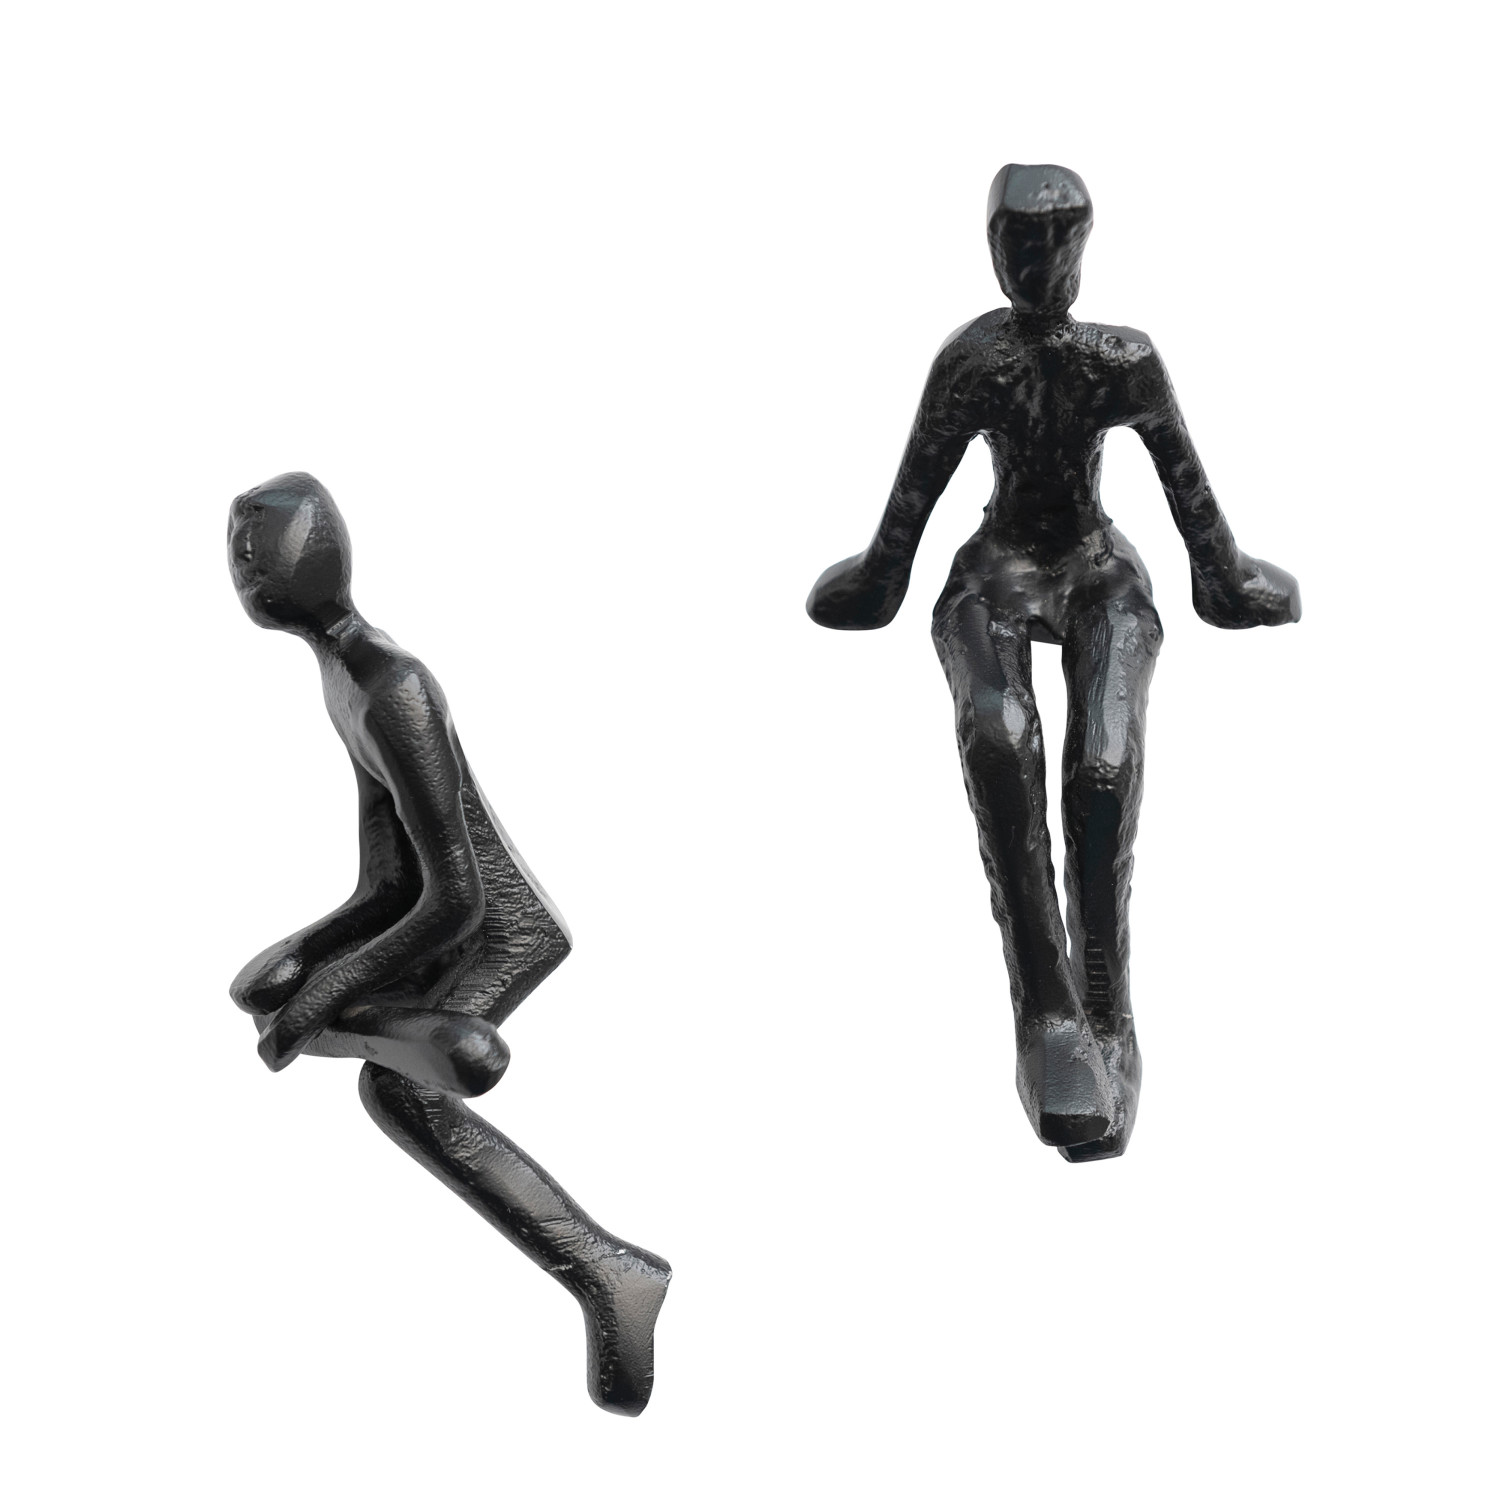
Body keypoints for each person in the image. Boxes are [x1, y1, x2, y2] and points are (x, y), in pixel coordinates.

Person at [807, 164, 1300, 1162]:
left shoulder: (1121, 359)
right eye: (1020, 247)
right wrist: (878, 581)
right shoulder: (976, 362)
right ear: (993, 254)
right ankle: (1046, 1012)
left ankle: (1107, 1010)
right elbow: (916, 493)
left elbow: (1186, 488)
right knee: (999, 741)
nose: (1040, 266)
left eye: (1058, 244)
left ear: (1085, 248)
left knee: (1103, 769)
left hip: (1093, 567)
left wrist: (1225, 577)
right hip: (998, 569)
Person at [227, 473, 670, 1410]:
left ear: (324, 555)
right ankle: (410, 1034)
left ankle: (610, 1275)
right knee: (263, 990)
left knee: (394, 1090)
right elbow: (388, 883)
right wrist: (307, 965)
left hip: (499, 931)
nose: (247, 567)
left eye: (262, 545)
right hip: (434, 911)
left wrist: (319, 995)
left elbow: (461, 900)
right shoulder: (341, 680)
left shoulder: (392, 687)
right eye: (238, 551)